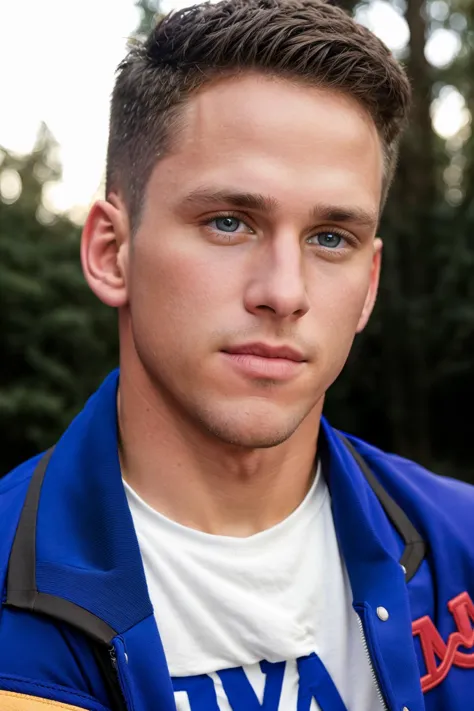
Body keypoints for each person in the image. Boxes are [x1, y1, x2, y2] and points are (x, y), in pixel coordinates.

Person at [1, 0, 474, 709]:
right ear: (111, 252)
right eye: (229, 222)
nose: (285, 292)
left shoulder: (462, 545)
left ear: (369, 285)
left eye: (331, 238)